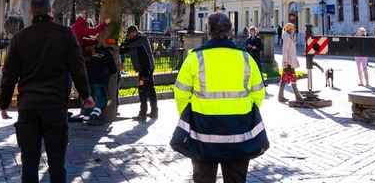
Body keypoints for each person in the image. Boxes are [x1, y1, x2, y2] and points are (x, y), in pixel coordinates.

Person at [0, 0, 93, 183]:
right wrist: (85, 95)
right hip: (54, 106)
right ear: (50, 9)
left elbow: (9, 74)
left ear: (30, 11)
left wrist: (4, 103)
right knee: (57, 163)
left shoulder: (19, 37)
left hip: (28, 107)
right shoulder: (66, 34)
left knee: (29, 163)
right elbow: (77, 68)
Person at [170, 11, 268, 183]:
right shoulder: (245, 58)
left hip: (202, 131)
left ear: (208, 31)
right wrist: (245, 111)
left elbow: (181, 93)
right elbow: (259, 93)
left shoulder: (195, 58)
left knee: (203, 179)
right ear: (230, 32)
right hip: (239, 131)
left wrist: (188, 116)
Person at [119, 24, 158, 120]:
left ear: (136, 32)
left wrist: (121, 42)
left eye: (132, 33)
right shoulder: (133, 41)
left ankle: (143, 114)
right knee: (150, 90)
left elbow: (131, 44)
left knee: (142, 90)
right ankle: (154, 112)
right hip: (143, 69)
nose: (131, 35)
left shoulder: (142, 38)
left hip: (146, 68)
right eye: (130, 33)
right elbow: (124, 50)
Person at [81, 40, 118, 125]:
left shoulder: (92, 52)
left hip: (88, 80)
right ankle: (93, 116)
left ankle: (85, 118)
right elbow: (113, 70)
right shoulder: (107, 53)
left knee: (91, 99)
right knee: (103, 99)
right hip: (100, 80)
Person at [277, 22, 299, 102]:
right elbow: (285, 50)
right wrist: (285, 61)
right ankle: (297, 95)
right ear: (290, 29)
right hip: (288, 62)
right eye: (293, 28)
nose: (295, 29)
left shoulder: (291, 37)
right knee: (287, 78)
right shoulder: (287, 37)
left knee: (288, 78)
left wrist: (296, 61)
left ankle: (281, 95)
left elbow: (293, 52)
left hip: (291, 61)